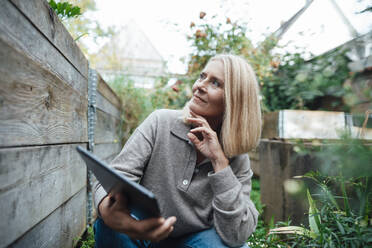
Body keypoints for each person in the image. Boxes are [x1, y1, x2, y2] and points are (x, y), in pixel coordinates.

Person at [93, 54, 262, 248]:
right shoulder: (160, 123)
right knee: (110, 226)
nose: (199, 85)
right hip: (145, 231)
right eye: (202, 76)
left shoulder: (237, 156)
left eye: (215, 83)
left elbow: (237, 234)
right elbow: (112, 181)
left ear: (235, 102)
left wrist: (219, 161)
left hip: (196, 240)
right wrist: (117, 217)